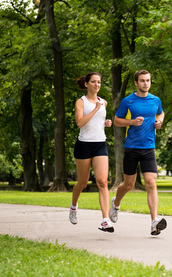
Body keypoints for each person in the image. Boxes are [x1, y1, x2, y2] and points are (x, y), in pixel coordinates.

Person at [109, 69, 167, 236]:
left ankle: (154, 222)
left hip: (149, 148)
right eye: (142, 80)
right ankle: (116, 203)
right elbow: (117, 121)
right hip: (132, 148)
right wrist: (132, 122)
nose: (145, 83)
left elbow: (161, 113)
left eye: (148, 80)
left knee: (151, 183)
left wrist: (159, 122)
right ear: (136, 83)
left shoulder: (155, 100)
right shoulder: (128, 101)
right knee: (128, 184)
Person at [70, 72, 114, 232]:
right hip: (83, 145)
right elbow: (80, 123)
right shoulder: (81, 102)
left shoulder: (104, 102)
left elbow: (98, 123)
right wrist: (96, 109)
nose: (97, 84)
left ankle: (105, 220)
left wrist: (106, 123)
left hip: (100, 144)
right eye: (94, 82)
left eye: (99, 82)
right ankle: (74, 206)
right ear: (87, 84)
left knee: (102, 181)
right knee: (82, 182)